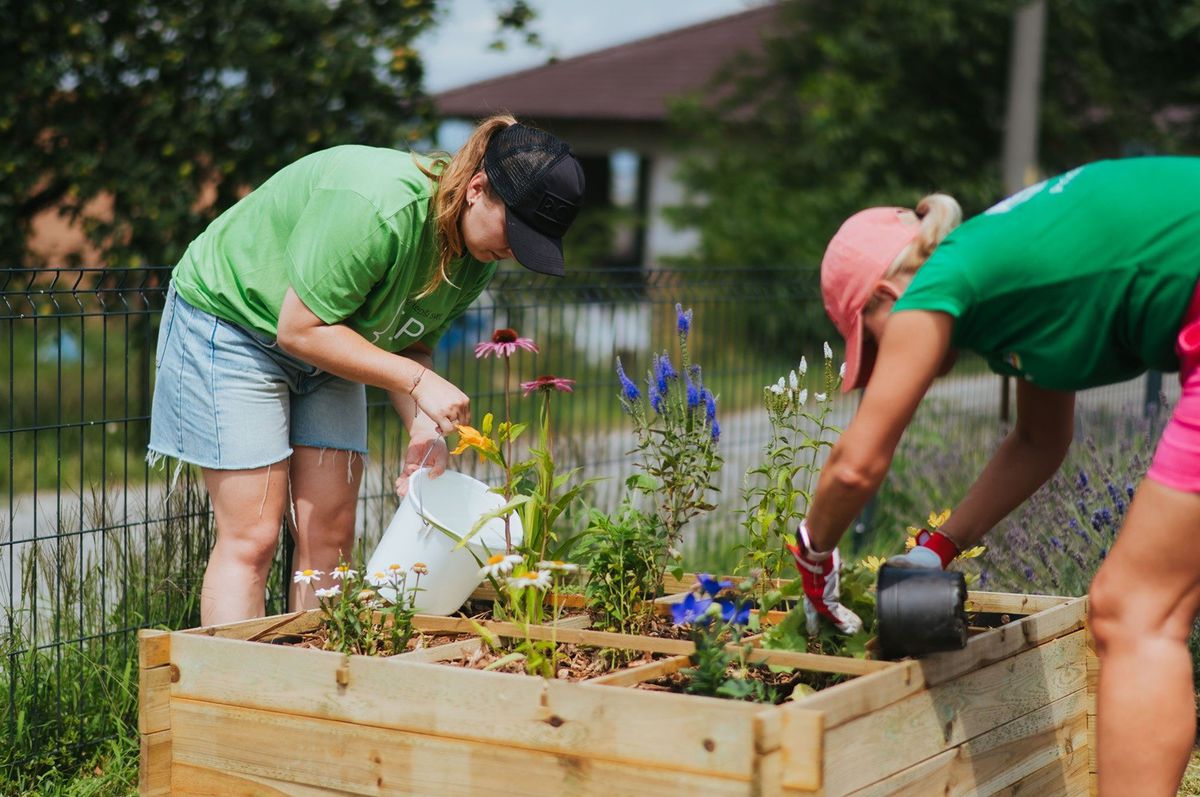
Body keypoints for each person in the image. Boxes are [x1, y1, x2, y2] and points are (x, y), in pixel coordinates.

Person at [791, 157, 1200, 796]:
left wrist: (812, 552)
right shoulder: (1008, 274)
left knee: (1133, 611)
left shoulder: (940, 282)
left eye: (870, 341)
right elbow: (1040, 441)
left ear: (885, 297)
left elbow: (856, 464)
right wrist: (939, 547)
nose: (880, 358)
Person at [147, 114, 585, 626]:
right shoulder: (382, 209)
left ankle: (316, 689)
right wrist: (420, 383)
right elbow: (300, 330)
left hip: (331, 336)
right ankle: (235, 693)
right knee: (254, 535)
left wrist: (422, 424)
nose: (512, 252)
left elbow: (410, 343)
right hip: (236, 321)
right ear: (476, 189)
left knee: (329, 531)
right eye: (514, 231)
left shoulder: (475, 254)